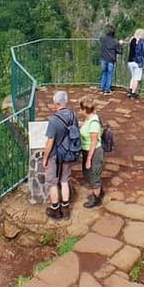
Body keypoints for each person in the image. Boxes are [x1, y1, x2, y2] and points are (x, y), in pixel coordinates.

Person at [42, 90, 77, 220]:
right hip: (68, 154)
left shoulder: (54, 121)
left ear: (56, 103)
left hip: (55, 156)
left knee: (52, 182)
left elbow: (49, 143)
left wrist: (45, 158)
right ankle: (66, 210)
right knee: (64, 181)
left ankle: (56, 210)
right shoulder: (73, 116)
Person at [79, 95, 104, 208]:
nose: (79, 111)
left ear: (85, 110)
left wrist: (89, 159)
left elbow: (94, 143)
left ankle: (97, 199)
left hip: (93, 153)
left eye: (81, 109)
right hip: (87, 150)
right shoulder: (89, 118)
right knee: (87, 173)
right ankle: (98, 192)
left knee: (93, 174)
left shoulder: (94, 123)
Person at [123, 28, 144, 99]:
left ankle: (130, 91)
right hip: (138, 62)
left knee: (133, 77)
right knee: (136, 79)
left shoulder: (132, 40)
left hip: (130, 61)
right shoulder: (143, 42)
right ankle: (133, 94)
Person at [98, 25, 123, 94]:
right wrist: (120, 44)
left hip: (103, 58)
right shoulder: (115, 42)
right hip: (111, 60)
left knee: (104, 73)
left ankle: (102, 88)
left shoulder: (103, 39)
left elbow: (100, 39)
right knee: (110, 74)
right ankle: (107, 89)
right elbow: (120, 51)